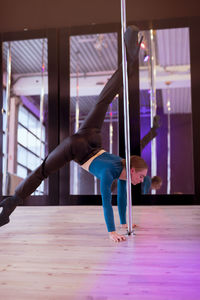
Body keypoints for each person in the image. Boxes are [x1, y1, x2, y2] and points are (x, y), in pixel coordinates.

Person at [0, 26, 148, 242]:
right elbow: (107, 201)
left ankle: (129, 62)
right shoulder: (110, 172)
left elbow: (123, 201)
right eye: (141, 177)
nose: (141, 181)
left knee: (104, 99)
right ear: (133, 170)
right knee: (42, 171)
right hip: (76, 148)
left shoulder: (124, 169)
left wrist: (125, 222)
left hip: (91, 138)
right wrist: (111, 231)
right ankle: (9, 205)